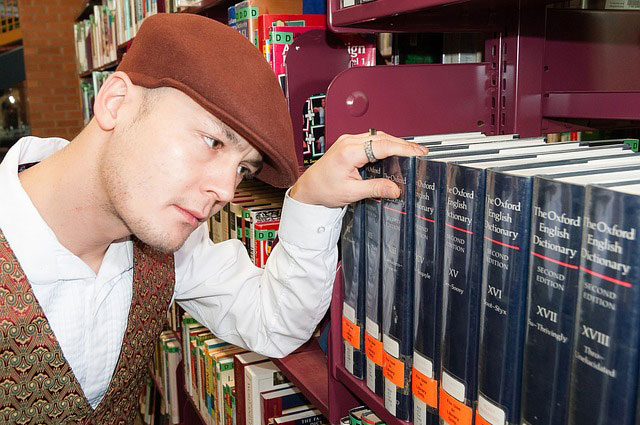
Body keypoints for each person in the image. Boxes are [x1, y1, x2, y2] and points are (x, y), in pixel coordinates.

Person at [0, 13, 427, 425]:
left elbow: (273, 322)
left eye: (243, 170)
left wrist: (312, 201)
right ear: (116, 103)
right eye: (212, 141)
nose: (225, 191)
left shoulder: (169, 244)